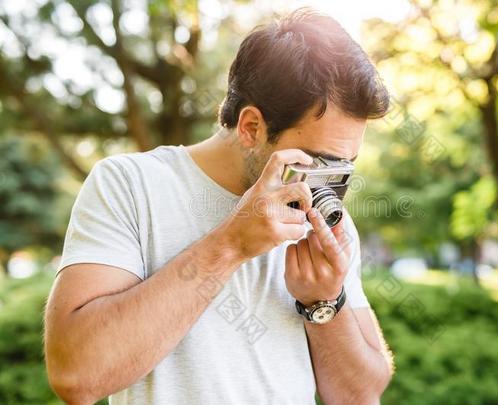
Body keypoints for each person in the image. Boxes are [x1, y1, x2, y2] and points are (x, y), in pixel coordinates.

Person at [44, 8, 394, 405]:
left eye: (345, 164)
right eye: (318, 161)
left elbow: (362, 395)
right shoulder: (129, 184)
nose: (329, 182)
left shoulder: (329, 221)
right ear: (251, 127)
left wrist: (325, 301)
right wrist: (230, 245)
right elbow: (75, 374)